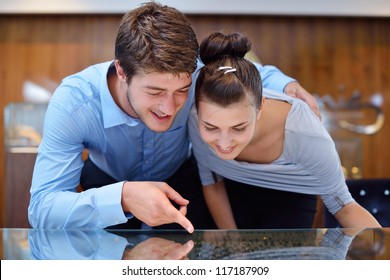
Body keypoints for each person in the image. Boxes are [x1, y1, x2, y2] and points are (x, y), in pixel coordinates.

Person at [28, 2, 319, 232]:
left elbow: (243, 72)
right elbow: (42, 208)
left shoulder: (198, 72)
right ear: (121, 71)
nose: (169, 107)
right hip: (107, 182)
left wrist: (284, 83)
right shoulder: (74, 103)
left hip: (182, 179)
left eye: (182, 89)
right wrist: (123, 197)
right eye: (155, 91)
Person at [188, 31, 381, 229]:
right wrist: (232, 240)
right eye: (211, 127)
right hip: (230, 195)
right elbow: (212, 183)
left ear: (260, 107)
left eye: (239, 128)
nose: (224, 142)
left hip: (290, 198)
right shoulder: (196, 117)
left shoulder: (305, 133)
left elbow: (346, 208)